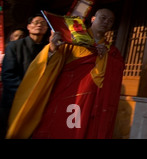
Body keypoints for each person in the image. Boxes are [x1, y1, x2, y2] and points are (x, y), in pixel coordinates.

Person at [6, 8, 124, 139]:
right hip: (69, 98)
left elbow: (117, 70)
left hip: (95, 101)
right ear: (93, 19)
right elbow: (50, 64)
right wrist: (52, 47)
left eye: (110, 21)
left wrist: (106, 57)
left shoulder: (112, 51)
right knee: (62, 130)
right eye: (103, 18)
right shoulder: (72, 40)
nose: (106, 22)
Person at [0, 14, 49, 133]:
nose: (39, 25)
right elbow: (8, 75)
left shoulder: (48, 49)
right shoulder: (15, 46)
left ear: (46, 29)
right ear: (28, 27)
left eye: (43, 23)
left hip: (37, 101)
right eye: (36, 22)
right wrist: (26, 92)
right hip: (15, 99)